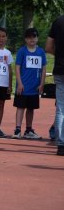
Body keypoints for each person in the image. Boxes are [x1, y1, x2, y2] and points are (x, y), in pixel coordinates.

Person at [12, 28, 46, 139]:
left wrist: (42, 83)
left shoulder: (41, 52)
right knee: (20, 107)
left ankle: (28, 130)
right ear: (26, 39)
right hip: (23, 86)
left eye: (34, 37)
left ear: (37, 38)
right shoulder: (22, 51)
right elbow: (17, 68)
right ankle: (17, 129)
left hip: (34, 87)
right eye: (29, 37)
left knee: (31, 108)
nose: (32, 39)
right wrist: (19, 83)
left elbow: (43, 68)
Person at [45, 14, 64, 156]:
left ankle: (61, 144)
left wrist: (59, 54)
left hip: (59, 69)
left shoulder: (58, 21)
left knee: (61, 108)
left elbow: (48, 47)